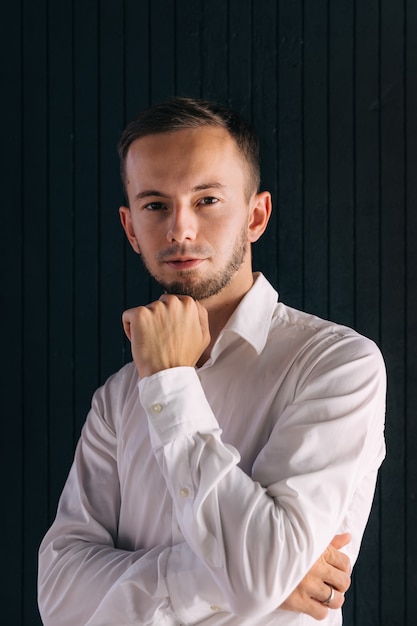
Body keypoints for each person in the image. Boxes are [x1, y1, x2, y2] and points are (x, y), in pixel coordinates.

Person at [38, 97, 386, 625]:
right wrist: (232, 582)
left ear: (255, 215)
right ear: (131, 229)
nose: (181, 229)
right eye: (156, 205)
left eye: (206, 200)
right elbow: (59, 597)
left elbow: (262, 571)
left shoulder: (338, 365)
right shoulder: (117, 396)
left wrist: (171, 383)